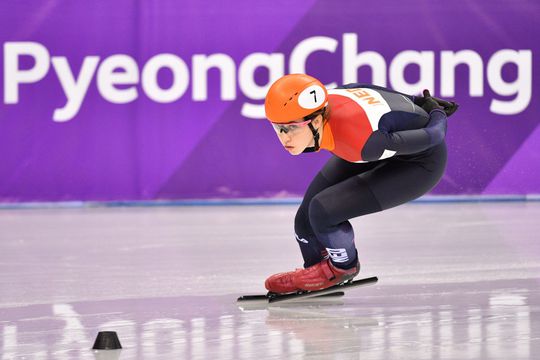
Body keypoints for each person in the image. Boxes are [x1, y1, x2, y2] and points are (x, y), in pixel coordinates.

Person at [263, 74, 458, 294]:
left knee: (323, 210)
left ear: (317, 121)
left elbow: (434, 136)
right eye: (277, 128)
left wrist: (436, 112)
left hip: (420, 164)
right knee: (304, 220)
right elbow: (364, 88)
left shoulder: (361, 141)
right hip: (377, 141)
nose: (284, 138)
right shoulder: (331, 98)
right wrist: (418, 101)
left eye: (291, 128)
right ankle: (316, 271)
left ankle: (342, 268)